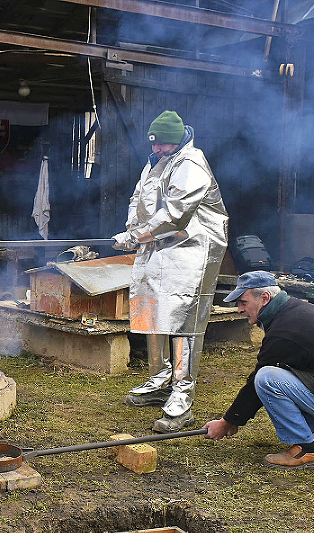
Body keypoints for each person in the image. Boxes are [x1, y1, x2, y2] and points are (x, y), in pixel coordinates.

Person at [113, 110, 228, 433]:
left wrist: (135, 236)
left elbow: (175, 214)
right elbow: (140, 200)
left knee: (183, 319)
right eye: (155, 144)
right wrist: (132, 230)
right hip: (158, 246)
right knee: (152, 308)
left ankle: (182, 398)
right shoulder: (156, 162)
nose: (159, 149)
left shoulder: (191, 165)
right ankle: (161, 378)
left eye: (164, 144)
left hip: (193, 249)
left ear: (178, 140)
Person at [204, 271, 314, 469]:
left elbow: (257, 383)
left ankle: (309, 450)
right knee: (281, 376)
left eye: (243, 302)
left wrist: (228, 421)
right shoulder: (291, 312)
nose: (239, 309)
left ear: (264, 298)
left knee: (267, 378)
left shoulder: (288, 328)